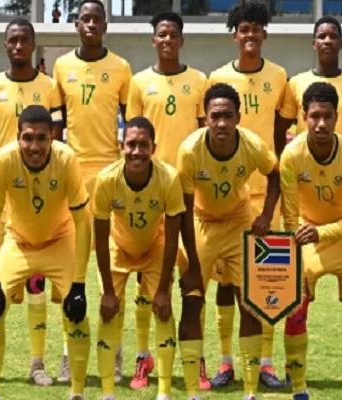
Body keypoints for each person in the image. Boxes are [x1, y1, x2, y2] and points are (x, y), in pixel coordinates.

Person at [0, 18, 63, 389]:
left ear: (33, 44)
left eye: (25, 40)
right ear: (6, 45)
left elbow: (59, 141)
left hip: (36, 203)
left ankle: (37, 363)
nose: (19, 45)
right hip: (0, 199)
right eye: (13, 40)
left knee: (36, 280)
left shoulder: (49, 87)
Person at [177, 83, 280, 400]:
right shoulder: (190, 151)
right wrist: (193, 263)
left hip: (238, 221)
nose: (221, 123)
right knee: (192, 301)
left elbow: (275, 175)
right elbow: (183, 210)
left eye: (228, 116)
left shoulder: (252, 145)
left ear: (238, 117)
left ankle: (250, 389)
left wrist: (265, 215)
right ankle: (194, 386)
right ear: (206, 118)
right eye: (215, 116)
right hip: (201, 222)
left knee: (249, 304)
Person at [0, 105, 91, 400]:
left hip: (59, 240)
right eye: (27, 138)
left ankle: (77, 393)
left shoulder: (66, 160)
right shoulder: (4, 160)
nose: (34, 146)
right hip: (19, 242)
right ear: (18, 137)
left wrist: (79, 284)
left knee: (77, 313)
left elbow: (83, 222)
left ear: (52, 137)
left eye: (42, 138)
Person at [124, 11, 210, 391]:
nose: (167, 40)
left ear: (181, 40)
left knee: (193, 279)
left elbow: (206, 136)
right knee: (145, 279)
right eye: (161, 34)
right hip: (151, 194)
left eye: (173, 34)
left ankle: (197, 356)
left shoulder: (200, 81)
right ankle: (144, 357)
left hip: (189, 194)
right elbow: (134, 137)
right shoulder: (139, 82)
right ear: (153, 40)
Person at [93, 116, 204, 400]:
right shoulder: (106, 180)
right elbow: (100, 241)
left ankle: (164, 391)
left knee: (163, 311)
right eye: (131, 144)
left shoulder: (168, 178)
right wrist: (108, 291)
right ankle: (107, 392)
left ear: (153, 147)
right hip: (118, 249)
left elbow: (173, 237)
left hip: (155, 249)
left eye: (143, 145)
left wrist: (164, 289)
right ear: (122, 146)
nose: (137, 151)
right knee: (108, 314)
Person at [207, 0, 287, 388]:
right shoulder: (218, 78)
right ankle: (225, 362)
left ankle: (265, 363)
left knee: (266, 282)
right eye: (243, 29)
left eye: (256, 28)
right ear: (234, 36)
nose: (250, 34)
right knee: (226, 284)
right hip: (228, 197)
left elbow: (282, 136)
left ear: (264, 34)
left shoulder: (279, 76)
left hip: (266, 196)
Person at [53, 0, 132, 381]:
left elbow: (132, 126)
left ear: (105, 25)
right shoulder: (61, 66)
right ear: (76, 25)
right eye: (84, 19)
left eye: (96, 19)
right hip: (72, 175)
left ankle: (112, 353)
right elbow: (57, 127)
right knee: (72, 270)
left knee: (110, 271)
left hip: (109, 175)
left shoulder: (121, 68)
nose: (90, 25)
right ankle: (70, 353)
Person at [280, 82, 342, 400]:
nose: (321, 124)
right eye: (314, 116)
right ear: (304, 117)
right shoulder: (292, 155)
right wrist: (297, 247)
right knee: (295, 308)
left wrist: (321, 232)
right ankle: (298, 387)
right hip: (306, 237)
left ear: (337, 117)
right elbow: (289, 217)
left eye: (328, 116)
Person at [278, 16, 342, 145]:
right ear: (314, 43)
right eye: (322, 36)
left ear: (340, 44)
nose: (327, 41)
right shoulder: (295, 83)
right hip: (305, 157)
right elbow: (280, 129)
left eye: (333, 36)